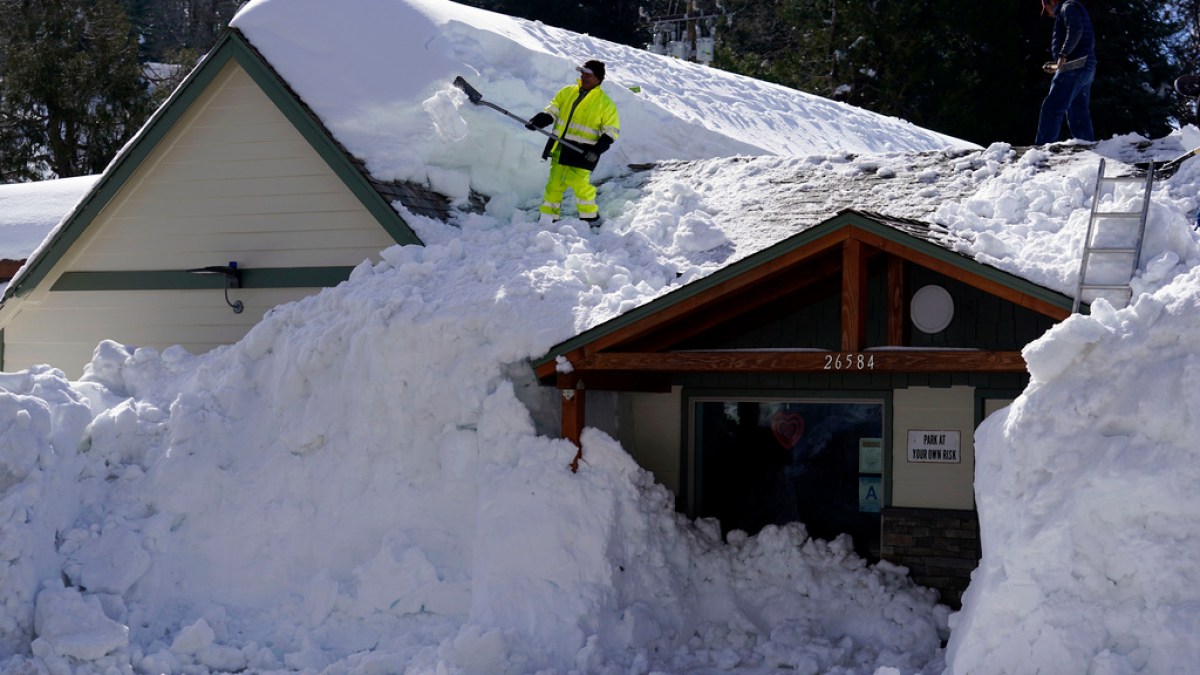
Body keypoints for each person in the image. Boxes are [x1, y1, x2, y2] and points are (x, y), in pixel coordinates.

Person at [525, 60, 620, 227]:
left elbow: (611, 132)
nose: (583, 77)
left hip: (583, 152)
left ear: (598, 78)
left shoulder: (605, 104)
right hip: (560, 147)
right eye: (582, 73)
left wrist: (597, 150)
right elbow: (553, 110)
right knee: (554, 184)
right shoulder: (567, 92)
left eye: (588, 74)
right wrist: (540, 120)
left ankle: (590, 219)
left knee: (580, 185)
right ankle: (548, 218)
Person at [1034, 0, 1097, 145]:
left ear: (1052, 2)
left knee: (1052, 108)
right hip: (1085, 66)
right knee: (1078, 111)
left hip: (1073, 67)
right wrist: (1057, 65)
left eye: (1047, 9)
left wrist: (1063, 54)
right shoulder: (1072, 8)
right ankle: (1086, 146)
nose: (1049, 14)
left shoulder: (1068, 6)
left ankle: (1041, 150)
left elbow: (1075, 29)